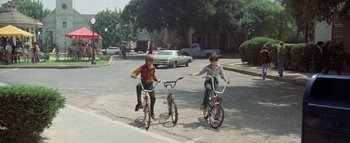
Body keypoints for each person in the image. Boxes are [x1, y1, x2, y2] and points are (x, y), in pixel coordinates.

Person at [131, 55, 159, 119]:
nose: (149, 62)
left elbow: (153, 76)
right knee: (138, 86)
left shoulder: (153, 68)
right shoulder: (143, 67)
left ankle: (152, 112)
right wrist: (133, 74)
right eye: (147, 60)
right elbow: (136, 71)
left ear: (152, 61)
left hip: (150, 85)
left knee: (153, 98)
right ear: (146, 61)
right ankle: (139, 103)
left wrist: (157, 79)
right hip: (143, 83)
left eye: (150, 61)